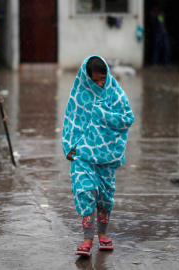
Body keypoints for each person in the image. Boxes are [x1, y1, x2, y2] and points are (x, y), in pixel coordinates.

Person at [62, 56, 134, 256]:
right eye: (94, 80)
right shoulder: (78, 94)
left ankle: (103, 234)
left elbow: (127, 118)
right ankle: (87, 238)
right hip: (83, 155)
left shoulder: (115, 93)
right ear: (86, 78)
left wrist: (103, 115)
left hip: (106, 156)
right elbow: (71, 121)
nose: (99, 84)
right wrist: (69, 146)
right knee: (85, 191)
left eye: (102, 79)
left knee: (104, 196)